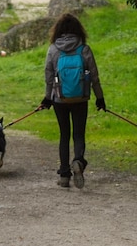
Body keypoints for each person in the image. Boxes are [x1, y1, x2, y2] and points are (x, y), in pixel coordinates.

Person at [39, 13, 106, 189]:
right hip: (80, 98)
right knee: (78, 134)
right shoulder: (84, 49)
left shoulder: (53, 49)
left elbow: (48, 76)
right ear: (78, 30)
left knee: (64, 135)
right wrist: (100, 98)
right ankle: (78, 161)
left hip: (59, 99)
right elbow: (94, 77)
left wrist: (47, 98)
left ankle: (64, 176)